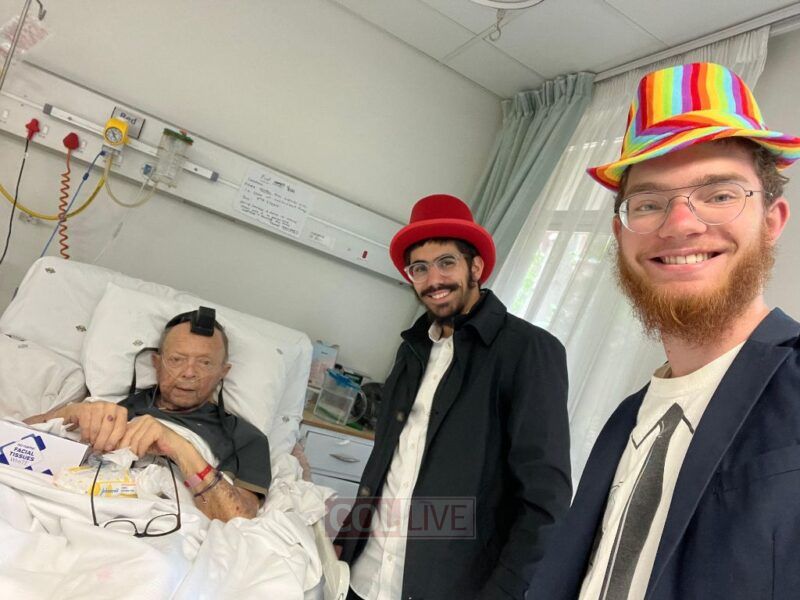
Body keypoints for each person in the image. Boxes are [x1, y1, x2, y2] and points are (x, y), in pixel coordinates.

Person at [529, 62, 800, 600]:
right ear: (621, 234)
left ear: (771, 221)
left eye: (720, 194)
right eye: (649, 203)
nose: (679, 224)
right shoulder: (625, 420)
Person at [336, 194, 572, 600]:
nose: (434, 280)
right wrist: (347, 537)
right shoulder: (412, 349)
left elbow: (544, 501)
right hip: (364, 576)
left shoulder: (527, 351)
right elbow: (386, 461)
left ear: (475, 267)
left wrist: (503, 593)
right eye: (420, 268)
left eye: (446, 262)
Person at [25, 308, 269, 522]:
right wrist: (69, 413)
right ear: (156, 363)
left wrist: (178, 447)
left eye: (204, 363)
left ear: (223, 372)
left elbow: (239, 519)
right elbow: (14, 438)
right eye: (176, 360)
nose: (189, 373)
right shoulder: (117, 407)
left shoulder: (246, 438)